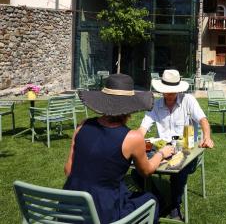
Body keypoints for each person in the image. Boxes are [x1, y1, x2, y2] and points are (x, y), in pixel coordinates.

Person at [64, 74, 174, 224]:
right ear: (130, 107)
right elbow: (146, 171)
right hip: (103, 213)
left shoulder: (82, 126)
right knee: (151, 200)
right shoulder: (133, 137)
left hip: (69, 208)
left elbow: (68, 170)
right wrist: (161, 153)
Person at [138, 69, 214, 220]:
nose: (169, 94)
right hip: (164, 150)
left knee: (179, 169)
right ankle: (159, 199)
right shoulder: (156, 105)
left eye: (172, 91)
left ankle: (174, 206)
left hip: (187, 148)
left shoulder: (188, 100)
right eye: (166, 91)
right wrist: (133, 140)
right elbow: (142, 129)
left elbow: (203, 120)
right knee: (137, 170)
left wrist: (207, 137)